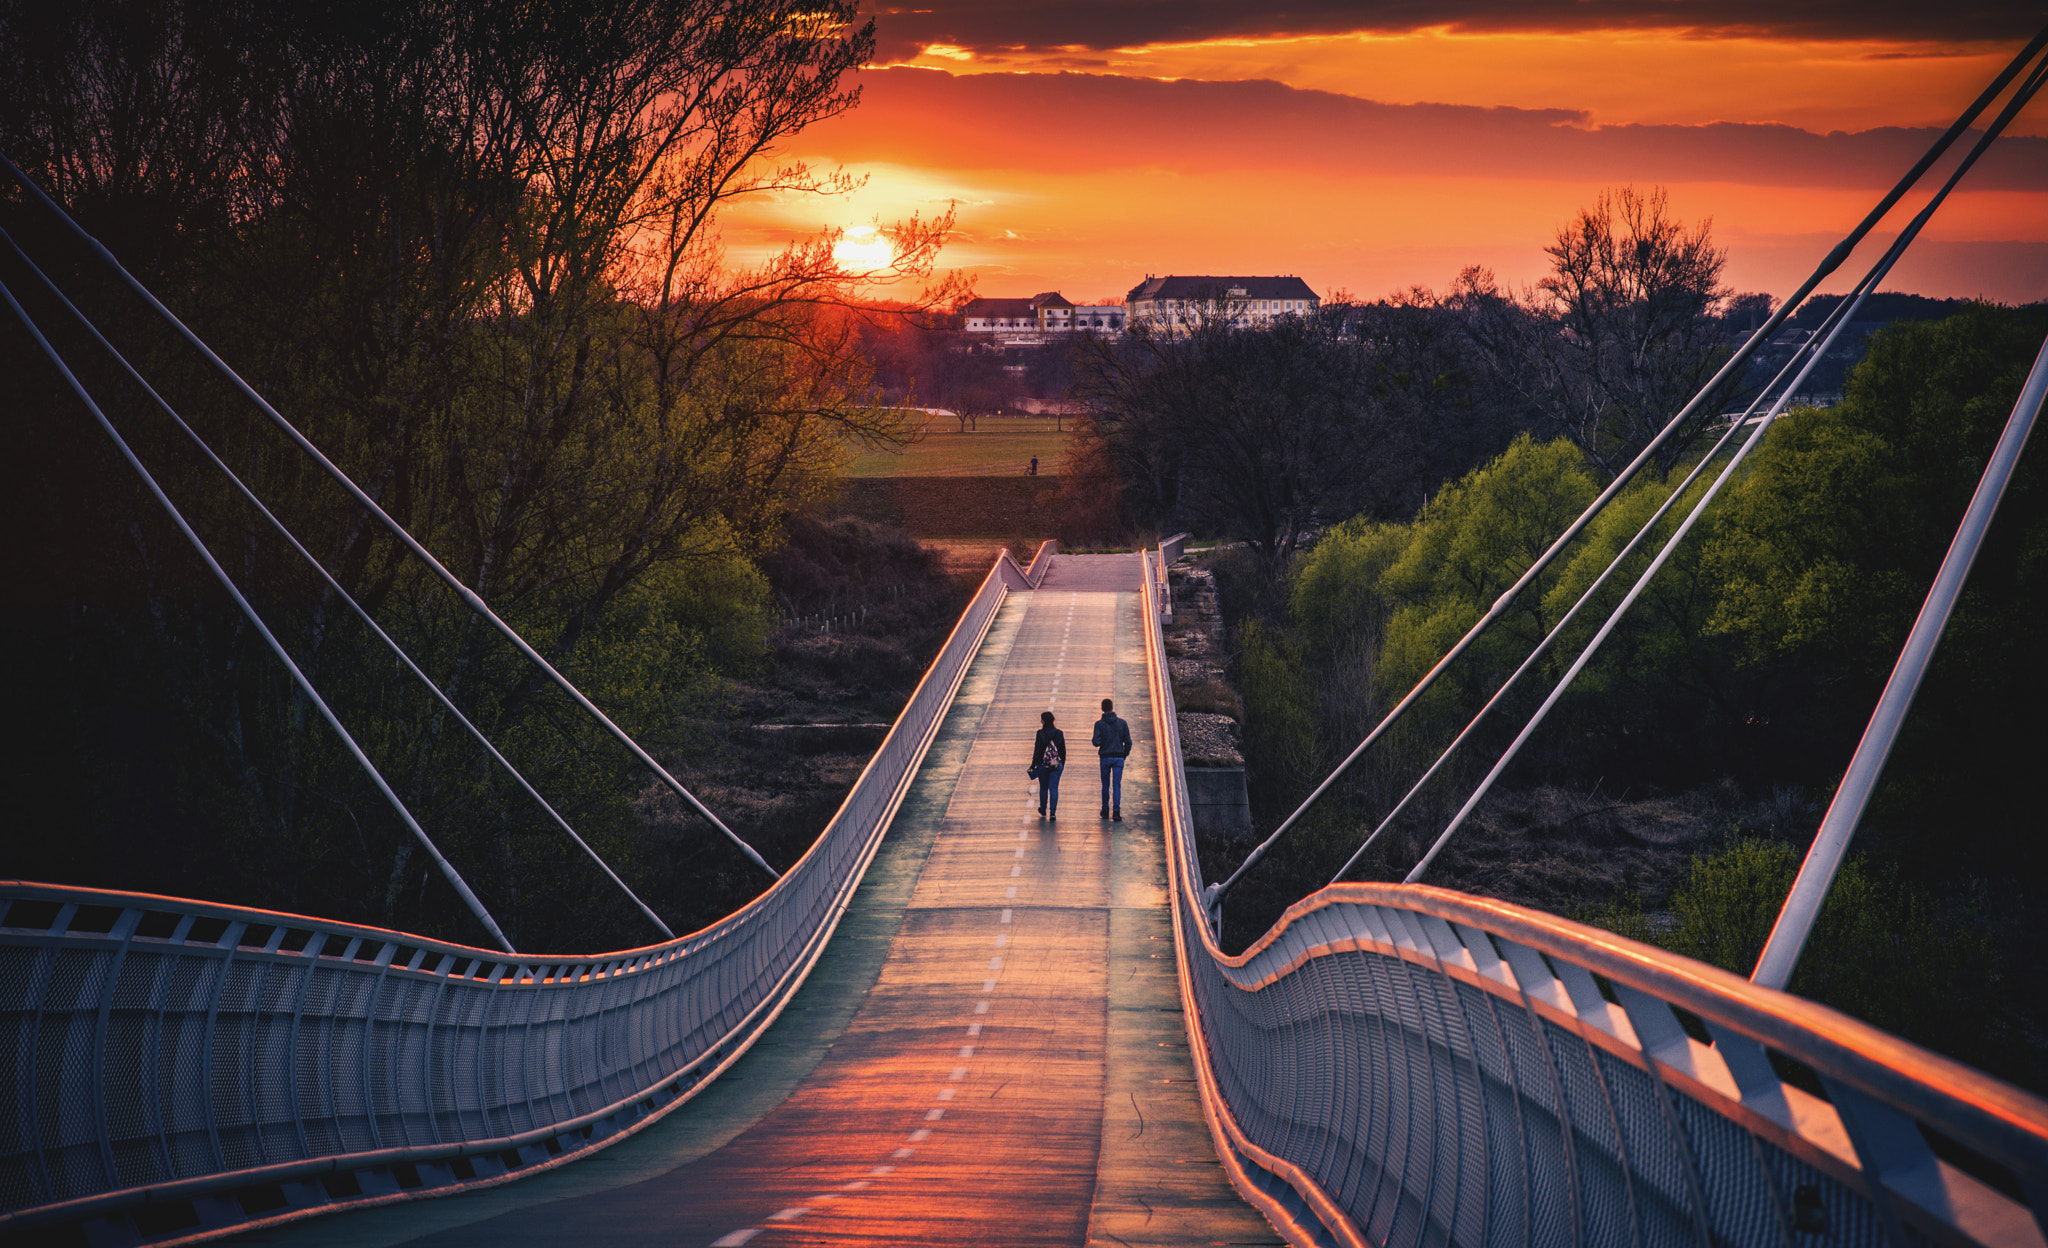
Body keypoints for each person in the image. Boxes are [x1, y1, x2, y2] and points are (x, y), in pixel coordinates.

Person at [1092, 697, 1131, 820]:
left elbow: (1096, 742)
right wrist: (1124, 754)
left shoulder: (1099, 724)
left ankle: (1105, 809)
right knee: (1116, 784)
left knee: (1105, 785)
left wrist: (1102, 739)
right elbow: (1128, 742)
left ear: (1102, 709)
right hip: (1119, 757)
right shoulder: (1122, 723)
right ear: (1112, 707)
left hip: (1105, 757)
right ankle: (1116, 811)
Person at [1031, 711, 1066, 820]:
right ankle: (1053, 812)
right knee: (1054, 788)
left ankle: (1043, 808)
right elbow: (1063, 751)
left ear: (1044, 721)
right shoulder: (1059, 733)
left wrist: (1033, 765)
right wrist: (1061, 764)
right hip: (1056, 764)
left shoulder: (1040, 734)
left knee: (1044, 787)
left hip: (1043, 764)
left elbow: (1037, 751)